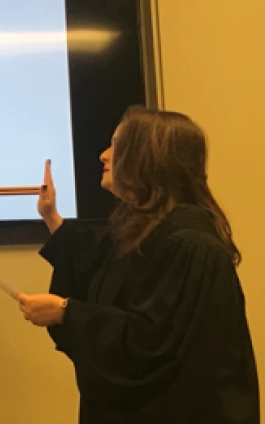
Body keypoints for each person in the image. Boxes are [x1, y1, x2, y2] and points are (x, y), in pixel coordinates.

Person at [15, 106, 259, 423]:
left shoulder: (190, 245)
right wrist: (52, 219)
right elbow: (98, 274)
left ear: (149, 158)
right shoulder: (148, 232)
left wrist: (66, 311)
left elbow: (152, 345)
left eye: (117, 144)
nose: (104, 155)